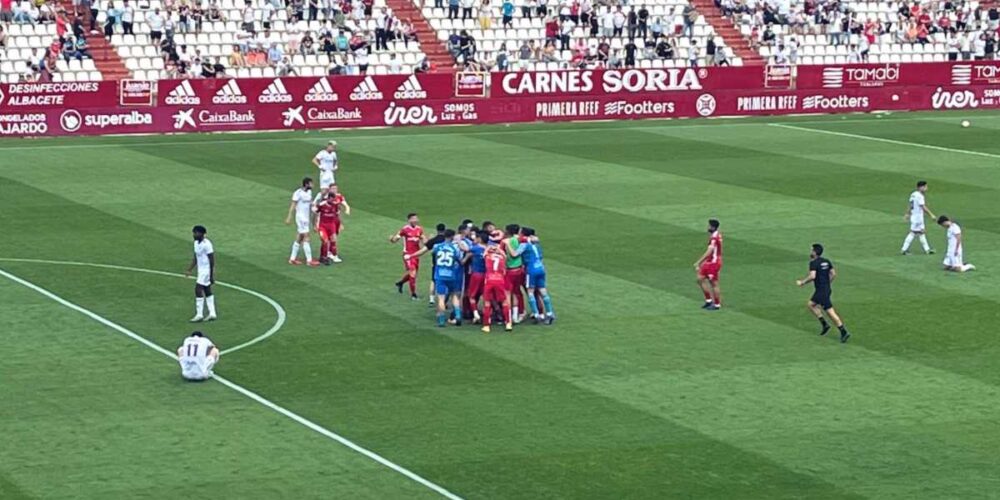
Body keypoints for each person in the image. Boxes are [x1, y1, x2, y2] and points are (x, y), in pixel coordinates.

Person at [796, 244, 851, 343]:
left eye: (812, 250)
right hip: (825, 289)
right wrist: (827, 283)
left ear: (815, 252)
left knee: (830, 312)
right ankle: (824, 324)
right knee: (811, 304)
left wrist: (802, 282)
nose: (810, 252)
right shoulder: (826, 261)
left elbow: (813, 276)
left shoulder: (813, 263)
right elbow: (833, 273)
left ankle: (843, 331)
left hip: (821, 291)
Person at [516, 227, 554, 324]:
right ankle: (549, 313)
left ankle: (537, 315)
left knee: (530, 292)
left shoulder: (524, 244)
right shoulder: (536, 244)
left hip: (531, 270)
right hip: (540, 268)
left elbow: (515, 254)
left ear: (523, 234)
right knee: (543, 291)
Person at [481, 231, 513, 333]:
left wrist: (488, 248)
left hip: (489, 279)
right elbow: (505, 256)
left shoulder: (488, 257)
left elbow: (484, 254)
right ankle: (508, 323)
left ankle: (486, 325)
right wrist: (499, 249)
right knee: (504, 302)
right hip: (500, 280)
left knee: (487, 302)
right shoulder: (502, 257)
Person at [185, 225, 217, 322]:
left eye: (196, 233)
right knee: (207, 290)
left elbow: (212, 260)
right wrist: (189, 269)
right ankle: (212, 313)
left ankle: (199, 314)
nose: (194, 235)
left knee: (198, 289)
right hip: (201, 270)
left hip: (206, 270)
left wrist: (211, 275)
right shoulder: (196, 243)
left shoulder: (207, 244)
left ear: (202, 234)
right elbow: (196, 257)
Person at [390, 213, 426, 299]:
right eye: (413, 218)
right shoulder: (405, 229)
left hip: (416, 254)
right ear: (409, 220)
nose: (415, 220)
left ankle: (400, 283)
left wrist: (428, 240)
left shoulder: (419, 229)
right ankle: (413, 295)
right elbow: (395, 239)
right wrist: (392, 239)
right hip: (408, 255)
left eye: (416, 218)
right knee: (412, 273)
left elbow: (424, 240)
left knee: (412, 275)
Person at [285, 177, 318, 266]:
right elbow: (293, 205)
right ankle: (309, 260)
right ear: (306, 184)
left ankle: (292, 259)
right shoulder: (298, 193)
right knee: (306, 236)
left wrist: (314, 207)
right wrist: (289, 217)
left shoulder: (309, 192)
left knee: (299, 238)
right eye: (311, 183)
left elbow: (310, 202)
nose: (313, 185)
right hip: (301, 218)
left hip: (306, 218)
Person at [314, 184, 350, 264]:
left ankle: (333, 255)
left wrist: (340, 223)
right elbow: (316, 213)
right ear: (329, 198)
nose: (333, 201)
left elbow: (337, 214)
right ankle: (323, 257)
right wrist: (315, 224)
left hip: (331, 225)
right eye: (332, 199)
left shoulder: (335, 204)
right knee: (325, 241)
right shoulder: (322, 204)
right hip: (323, 226)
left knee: (334, 239)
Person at [693, 219, 723, 310]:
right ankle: (709, 301)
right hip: (710, 262)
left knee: (713, 283)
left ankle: (717, 305)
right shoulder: (716, 235)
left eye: (709, 226)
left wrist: (699, 262)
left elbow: (709, 251)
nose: (708, 227)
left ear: (713, 227)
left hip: (713, 263)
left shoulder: (714, 238)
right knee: (699, 279)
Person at [901, 180, 935, 255]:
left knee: (921, 233)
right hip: (918, 218)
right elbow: (923, 206)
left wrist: (907, 213)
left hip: (914, 216)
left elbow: (910, 204)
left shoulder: (913, 194)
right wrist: (931, 214)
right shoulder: (920, 196)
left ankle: (927, 249)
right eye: (925, 187)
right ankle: (904, 249)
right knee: (913, 233)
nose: (927, 188)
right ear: (921, 187)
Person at [503, 224, 527, 322]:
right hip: (519, 270)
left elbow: (512, 254)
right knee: (516, 292)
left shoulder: (510, 241)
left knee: (508, 293)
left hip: (511, 271)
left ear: (508, 231)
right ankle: (516, 315)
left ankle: (509, 317)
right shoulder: (519, 239)